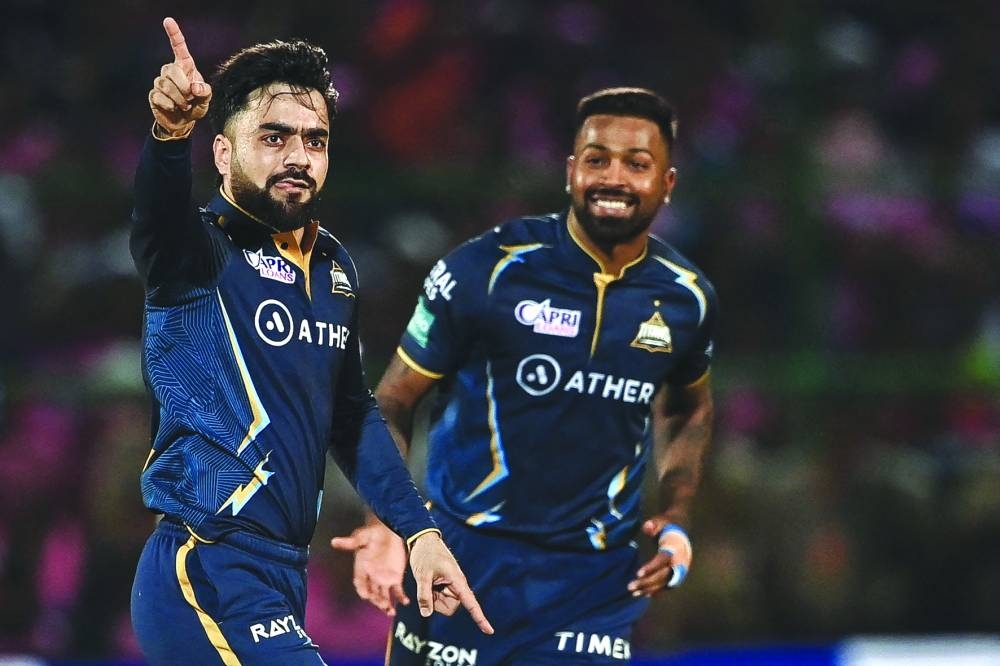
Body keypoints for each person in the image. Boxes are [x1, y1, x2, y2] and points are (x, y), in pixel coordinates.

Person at [129, 17, 492, 665]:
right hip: (206, 564)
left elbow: (351, 419)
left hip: (283, 574)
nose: (299, 155)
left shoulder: (333, 269)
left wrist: (421, 533)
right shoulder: (196, 250)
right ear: (221, 152)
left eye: (315, 140)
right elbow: (156, 216)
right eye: (273, 137)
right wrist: (168, 136)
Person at [332, 87, 717, 664]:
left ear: (667, 183)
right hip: (460, 561)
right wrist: (390, 525)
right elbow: (391, 401)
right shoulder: (485, 270)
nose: (613, 177)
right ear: (569, 172)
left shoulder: (687, 299)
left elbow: (690, 407)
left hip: (591, 585)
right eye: (596, 159)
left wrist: (678, 514)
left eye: (637, 164)